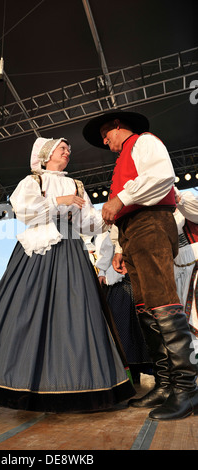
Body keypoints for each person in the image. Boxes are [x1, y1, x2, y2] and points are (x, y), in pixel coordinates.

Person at [0, 137, 135, 413]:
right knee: (27, 310)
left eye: (68, 149)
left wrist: (108, 214)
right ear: (45, 155)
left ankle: (80, 385)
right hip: (39, 251)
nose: (67, 152)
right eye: (62, 148)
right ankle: (16, 383)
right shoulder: (33, 181)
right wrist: (59, 201)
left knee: (77, 311)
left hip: (70, 249)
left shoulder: (76, 185)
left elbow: (88, 222)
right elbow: (24, 211)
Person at [83, 111, 198, 420]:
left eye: (106, 133)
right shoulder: (122, 161)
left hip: (150, 224)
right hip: (134, 232)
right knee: (146, 309)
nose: (104, 140)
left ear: (120, 127)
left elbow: (162, 178)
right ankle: (164, 385)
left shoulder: (144, 142)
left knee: (163, 304)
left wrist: (120, 199)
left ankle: (187, 390)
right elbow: (121, 211)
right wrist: (119, 246)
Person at [95, 227, 153, 383]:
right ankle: (129, 372)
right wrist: (101, 272)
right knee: (121, 329)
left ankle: (150, 369)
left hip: (139, 280)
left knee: (142, 326)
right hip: (119, 284)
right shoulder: (111, 232)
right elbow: (107, 251)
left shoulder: (140, 226)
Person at [174, 189, 198, 357]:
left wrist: (178, 199)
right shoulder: (161, 216)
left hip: (195, 266)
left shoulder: (186, 200)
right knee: (184, 318)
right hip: (177, 272)